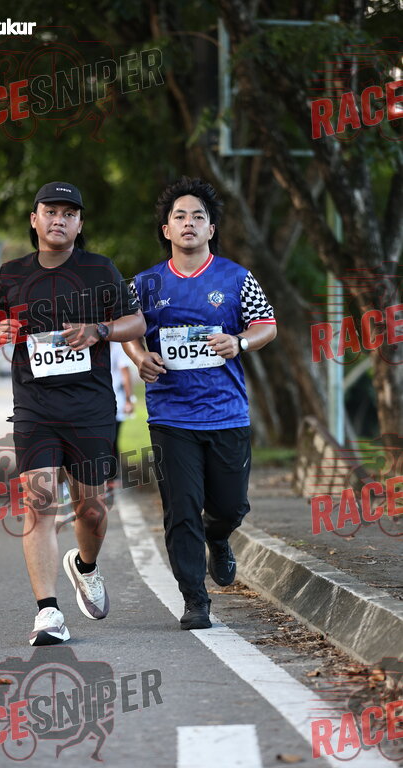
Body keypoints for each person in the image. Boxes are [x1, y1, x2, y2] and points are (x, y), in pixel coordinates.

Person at [0, 181, 145, 646]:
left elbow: (136, 321)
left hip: (90, 407)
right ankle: (48, 612)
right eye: (51, 211)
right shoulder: (13, 273)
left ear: (79, 223)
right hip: (34, 407)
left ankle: (86, 566)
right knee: (37, 504)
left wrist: (99, 330)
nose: (59, 219)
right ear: (34, 219)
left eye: (69, 213)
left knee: (91, 510)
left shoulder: (100, 269)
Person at [123, 176, 277, 630]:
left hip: (226, 413)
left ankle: (219, 535)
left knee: (230, 506)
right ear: (166, 229)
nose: (188, 223)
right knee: (182, 508)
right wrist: (140, 357)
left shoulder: (236, 278)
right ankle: (194, 599)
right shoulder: (144, 283)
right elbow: (128, 329)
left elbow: (266, 326)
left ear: (211, 229)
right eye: (179, 216)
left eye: (198, 217)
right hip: (171, 416)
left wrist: (239, 342)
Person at [109, 341, 135, 483]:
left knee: (112, 439)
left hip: (116, 400)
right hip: (102, 400)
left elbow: (125, 373)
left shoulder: (118, 346)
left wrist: (128, 400)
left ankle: (112, 475)